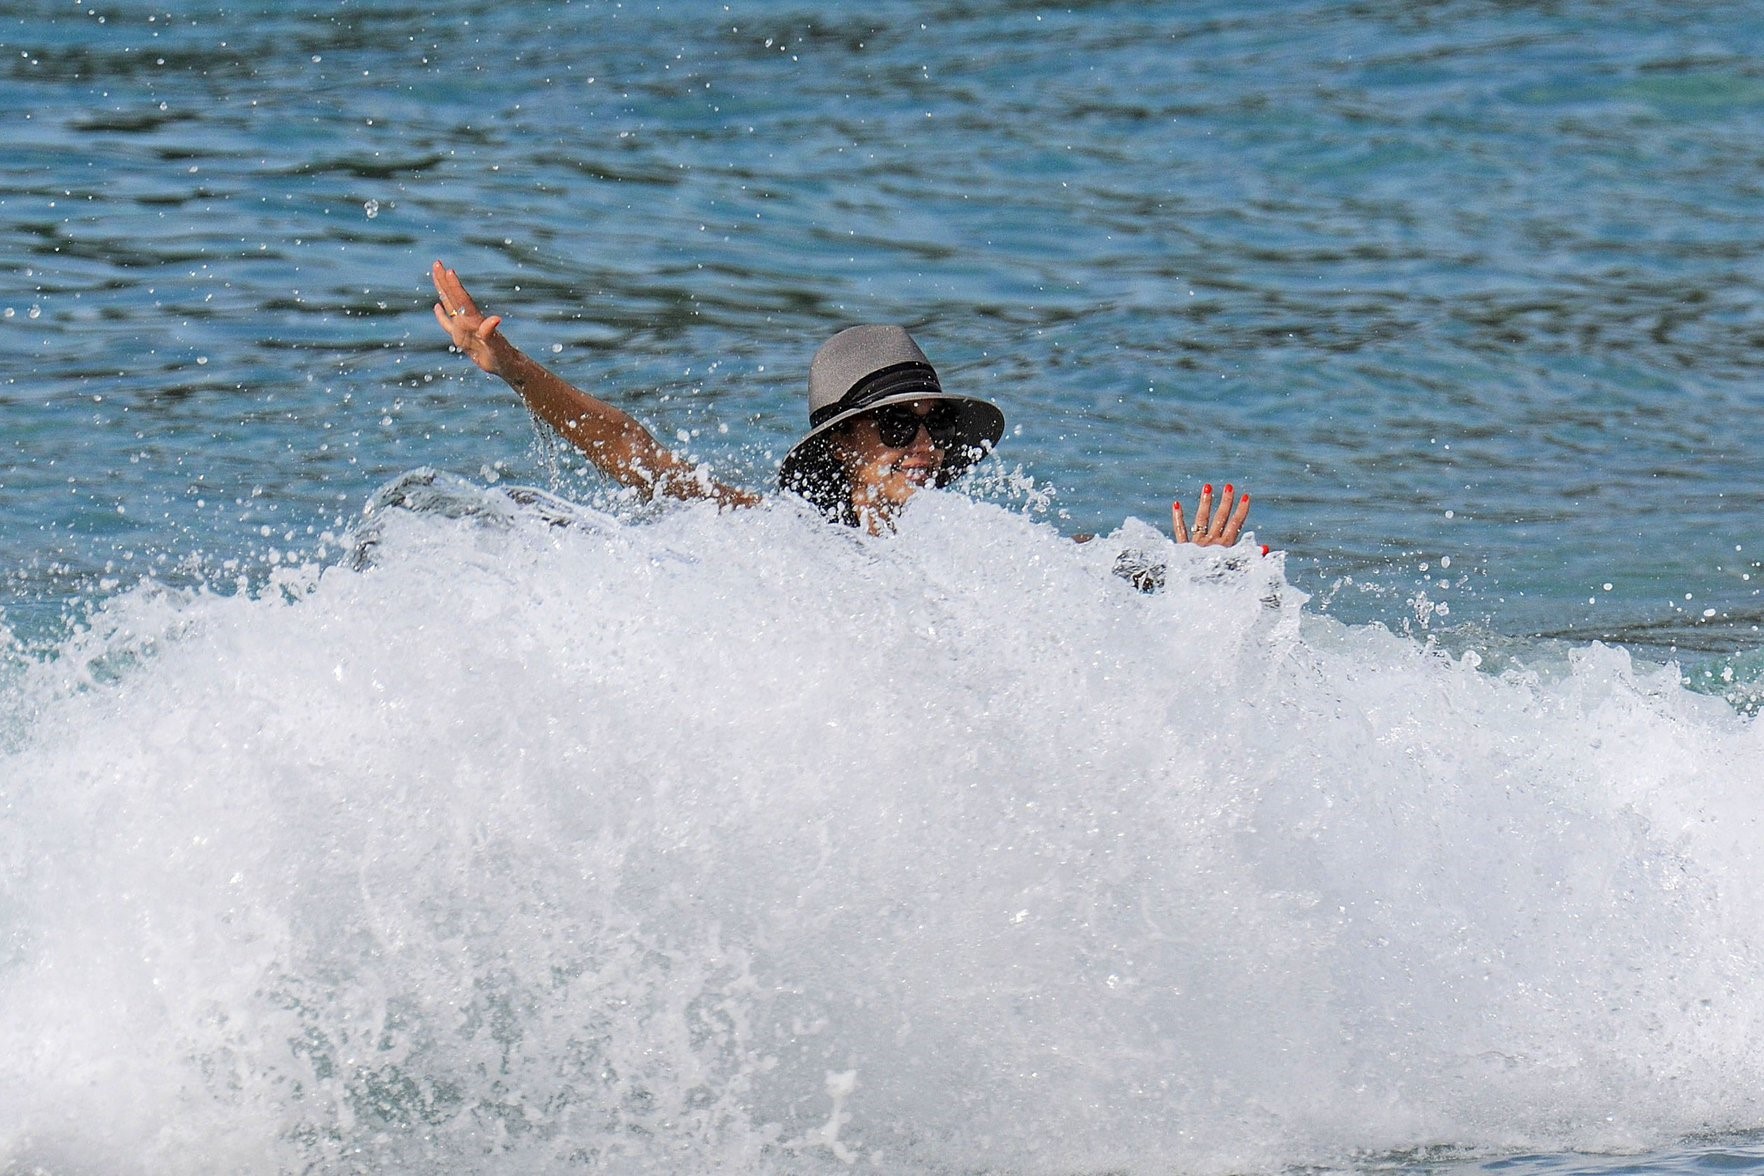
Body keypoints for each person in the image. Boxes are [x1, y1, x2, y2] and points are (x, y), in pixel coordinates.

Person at [431, 260, 1253, 544]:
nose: (924, 446)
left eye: (935, 426)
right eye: (899, 425)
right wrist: (513, 368)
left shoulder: (984, 555)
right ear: (842, 444)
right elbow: (643, 462)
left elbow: (1091, 573)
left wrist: (1188, 578)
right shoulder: (788, 543)